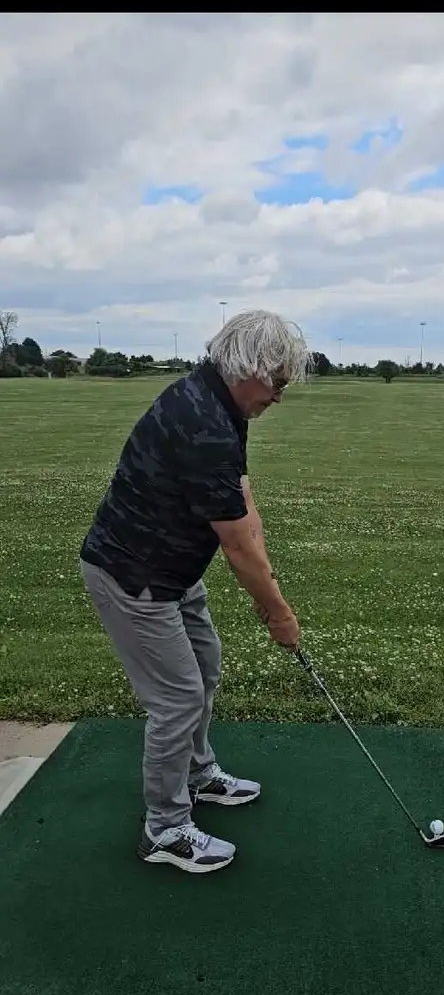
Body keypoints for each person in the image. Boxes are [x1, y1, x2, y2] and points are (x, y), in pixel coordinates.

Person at [80, 310, 312, 875]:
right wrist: (277, 613)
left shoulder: (220, 401)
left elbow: (241, 497)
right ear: (248, 369)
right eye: (277, 382)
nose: (279, 396)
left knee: (205, 665)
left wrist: (268, 567)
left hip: (172, 572)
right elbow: (235, 547)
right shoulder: (204, 420)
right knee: (177, 698)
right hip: (135, 578)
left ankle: (198, 772)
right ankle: (164, 828)